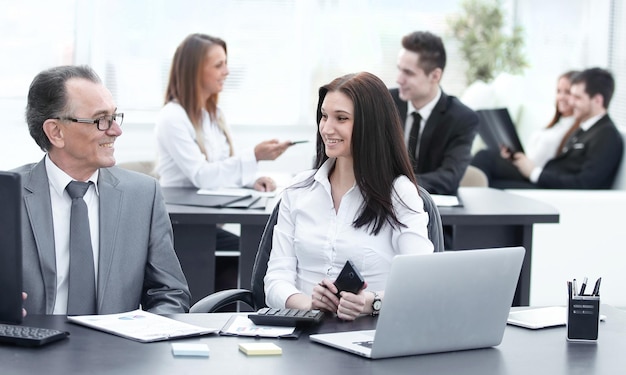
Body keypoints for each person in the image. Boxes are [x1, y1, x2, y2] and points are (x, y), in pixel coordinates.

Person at [14, 65, 191, 315]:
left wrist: (143, 337)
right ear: (55, 132)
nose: (116, 131)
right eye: (100, 120)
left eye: (114, 117)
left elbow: (170, 293)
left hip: (116, 349)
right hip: (28, 348)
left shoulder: (142, 195)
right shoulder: (8, 197)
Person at [264, 72, 434, 321]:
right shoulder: (298, 190)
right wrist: (309, 303)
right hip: (301, 334)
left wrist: (371, 302)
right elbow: (275, 280)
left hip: (368, 334)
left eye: (341, 118)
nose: (326, 128)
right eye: (324, 116)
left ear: (371, 126)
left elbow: (422, 283)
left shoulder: (399, 193)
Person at [155, 33, 292, 291]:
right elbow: (202, 175)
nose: (227, 72)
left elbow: (222, 165)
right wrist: (254, 156)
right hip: (183, 227)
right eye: (218, 65)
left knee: (258, 251)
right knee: (252, 256)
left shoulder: (212, 113)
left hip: (205, 221)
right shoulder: (172, 117)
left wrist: (252, 178)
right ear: (194, 70)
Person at [477, 67, 623, 189]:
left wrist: (535, 173)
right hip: (545, 183)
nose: (571, 102)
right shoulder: (585, 129)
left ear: (598, 100)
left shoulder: (607, 135)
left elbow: (585, 183)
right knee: (485, 173)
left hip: (552, 192)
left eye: (577, 98)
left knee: (487, 173)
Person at [390, 31, 479, 196]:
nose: (399, 79)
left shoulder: (462, 119)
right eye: (399, 70)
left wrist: (397, 186)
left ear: (435, 76)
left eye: (408, 73)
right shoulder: (386, 102)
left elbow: (449, 177)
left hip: (435, 213)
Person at [470, 71, 581, 188]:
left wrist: (532, 170)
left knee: (485, 157)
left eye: (567, 92)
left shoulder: (576, 130)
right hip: (524, 169)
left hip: (535, 176)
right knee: (486, 176)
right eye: (559, 91)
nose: (561, 97)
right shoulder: (556, 125)